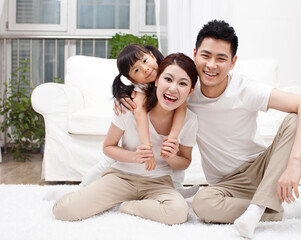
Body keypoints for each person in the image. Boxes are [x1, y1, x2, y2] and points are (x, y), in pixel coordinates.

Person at [116, 20, 301, 238]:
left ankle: (256, 210)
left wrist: (295, 163)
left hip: (262, 169)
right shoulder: (184, 89)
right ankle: (281, 211)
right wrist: (121, 94)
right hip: (226, 185)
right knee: (202, 205)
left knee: (294, 118)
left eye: (221, 58)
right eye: (205, 56)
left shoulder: (246, 89)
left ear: (233, 62)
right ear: (195, 54)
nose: (211, 65)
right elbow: (148, 79)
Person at [52, 53, 199, 225]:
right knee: (64, 210)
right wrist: (134, 157)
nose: (173, 88)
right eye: (168, 79)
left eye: (182, 83)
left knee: (178, 213)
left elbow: (185, 161)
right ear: (157, 80)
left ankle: (126, 206)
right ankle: (83, 194)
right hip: (121, 177)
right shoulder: (129, 107)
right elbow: (108, 147)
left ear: (190, 91)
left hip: (159, 183)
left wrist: (172, 157)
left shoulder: (189, 120)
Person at [80, 44, 199, 199]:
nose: (145, 69)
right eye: (136, 70)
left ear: (151, 55)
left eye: (145, 60)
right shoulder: (140, 88)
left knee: (171, 155)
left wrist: (172, 138)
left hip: (161, 172)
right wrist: (145, 146)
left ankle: (176, 188)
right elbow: (139, 114)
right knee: (102, 167)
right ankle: (81, 189)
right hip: (123, 155)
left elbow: (181, 106)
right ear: (131, 79)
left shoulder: (169, 70)